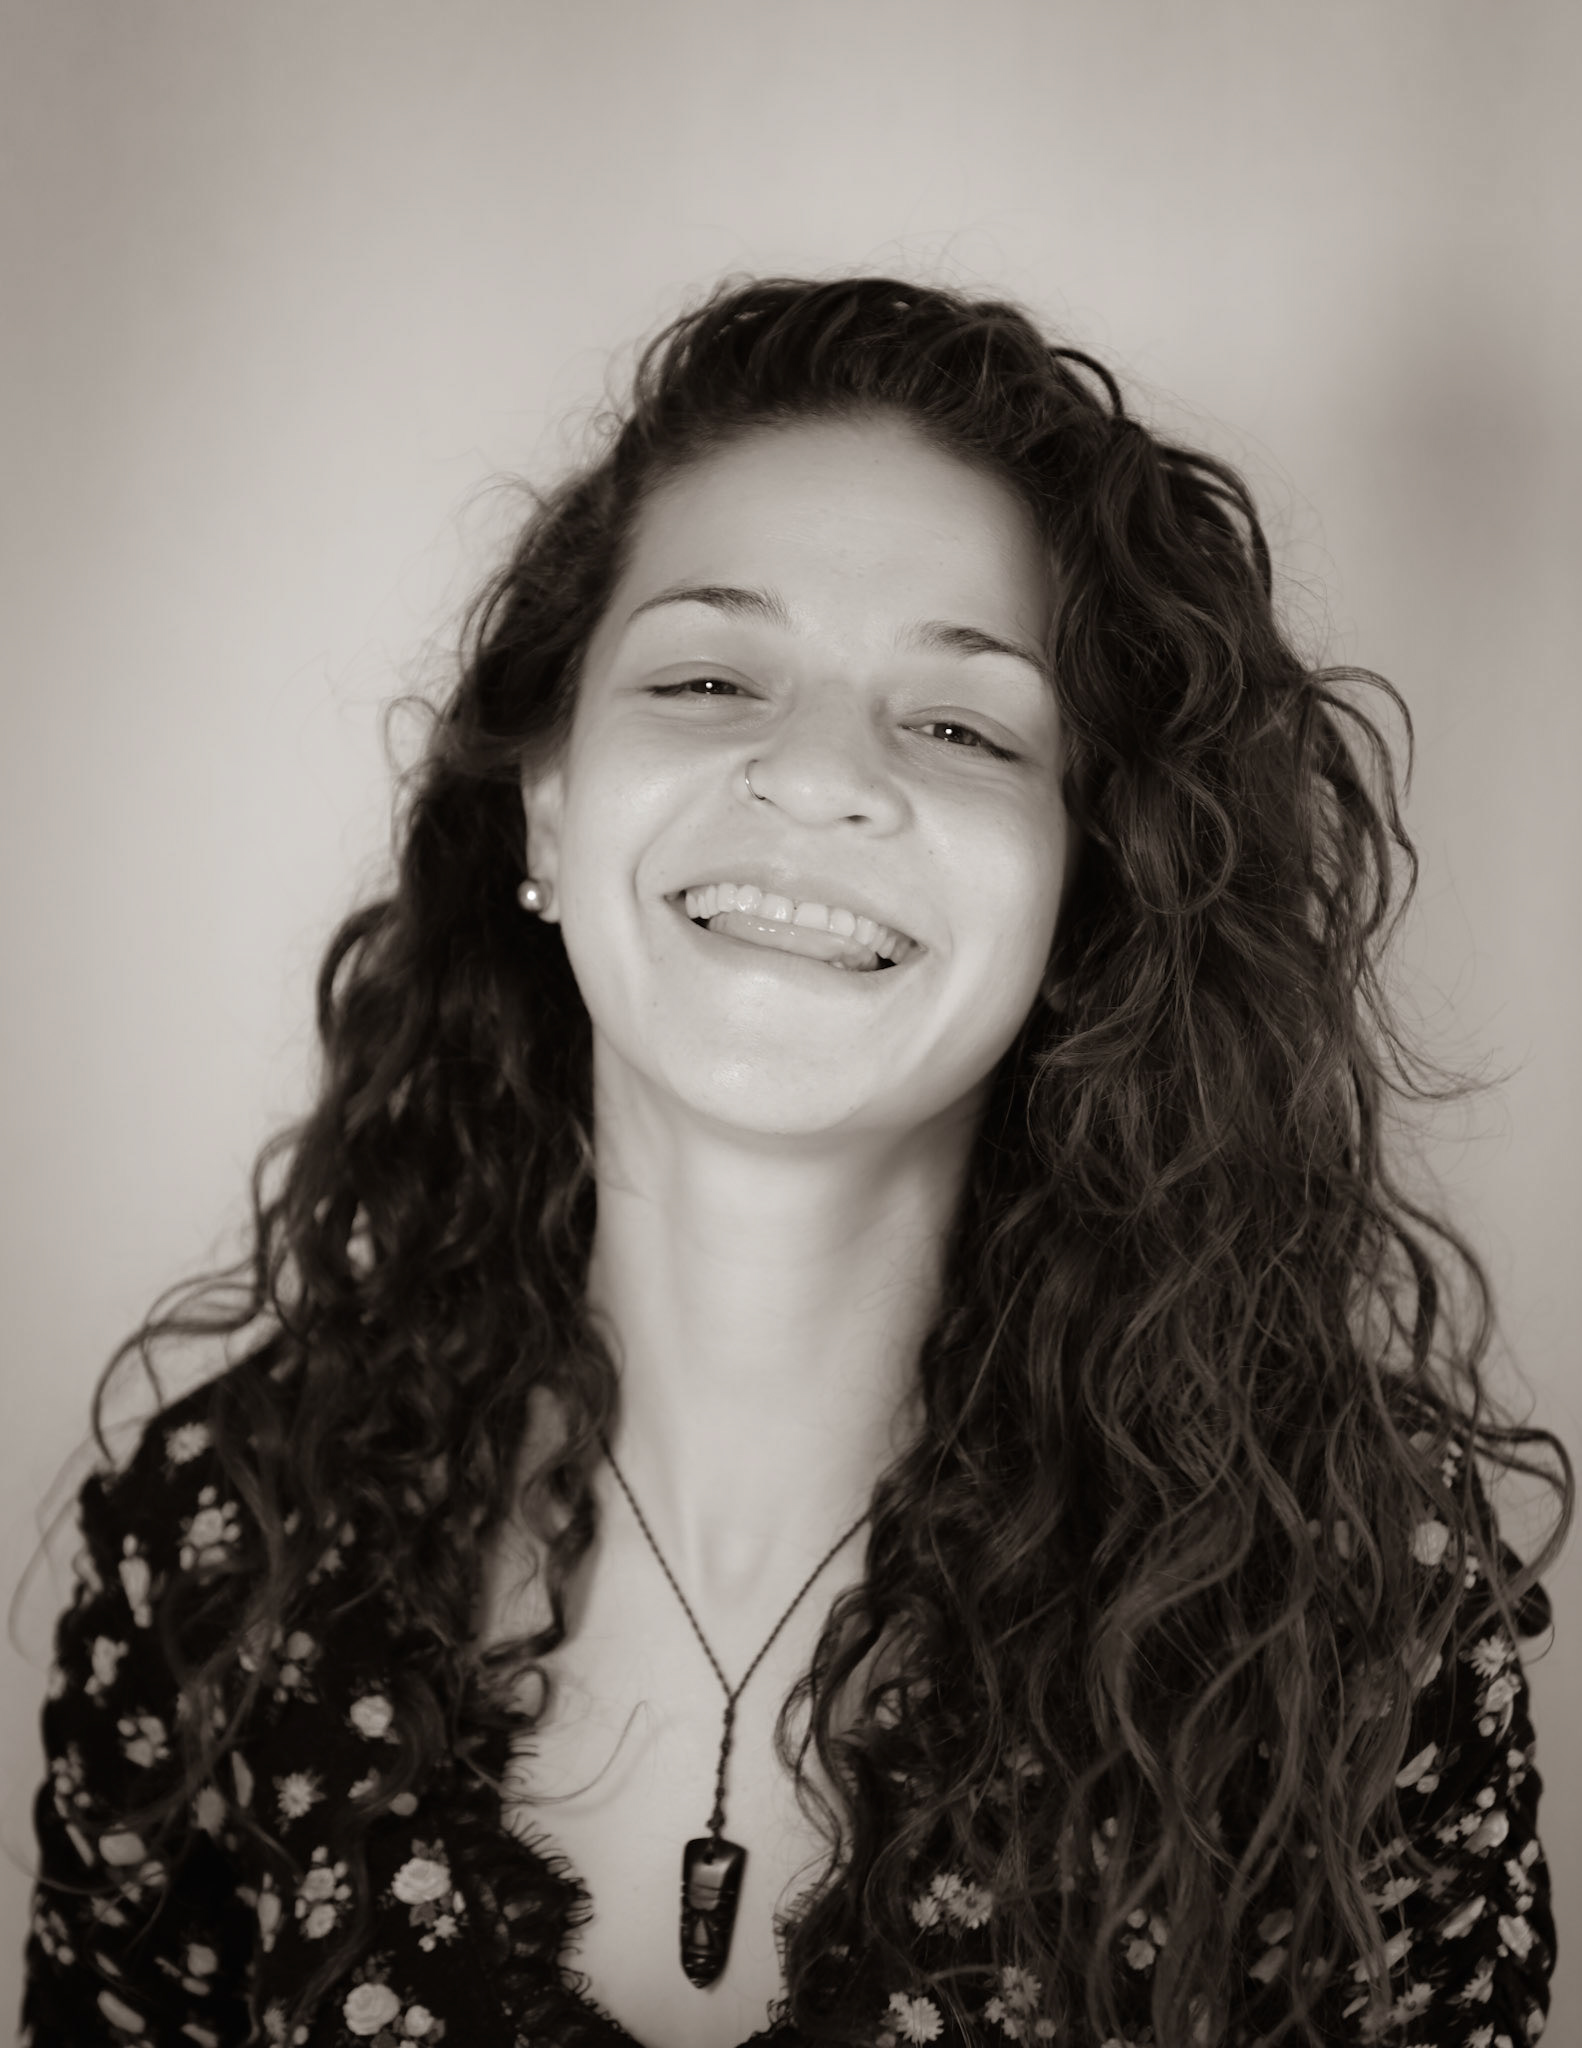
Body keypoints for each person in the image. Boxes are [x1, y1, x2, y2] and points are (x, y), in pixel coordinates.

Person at [19, 274, 1571, 2048]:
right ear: (546, 803)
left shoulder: (1351, 1602)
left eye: (963, 724)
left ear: (1086, 886)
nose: (817, 772)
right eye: (705, 676)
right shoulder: (217, 1550)